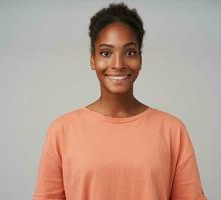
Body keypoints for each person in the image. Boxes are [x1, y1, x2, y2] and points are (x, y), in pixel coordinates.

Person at [32, 2, 207, 200]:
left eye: (129, 52)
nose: (118, 64)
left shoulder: (172, 130)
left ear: (140, 59)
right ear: (92, 59)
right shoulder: (62, 131)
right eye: (106, 53)